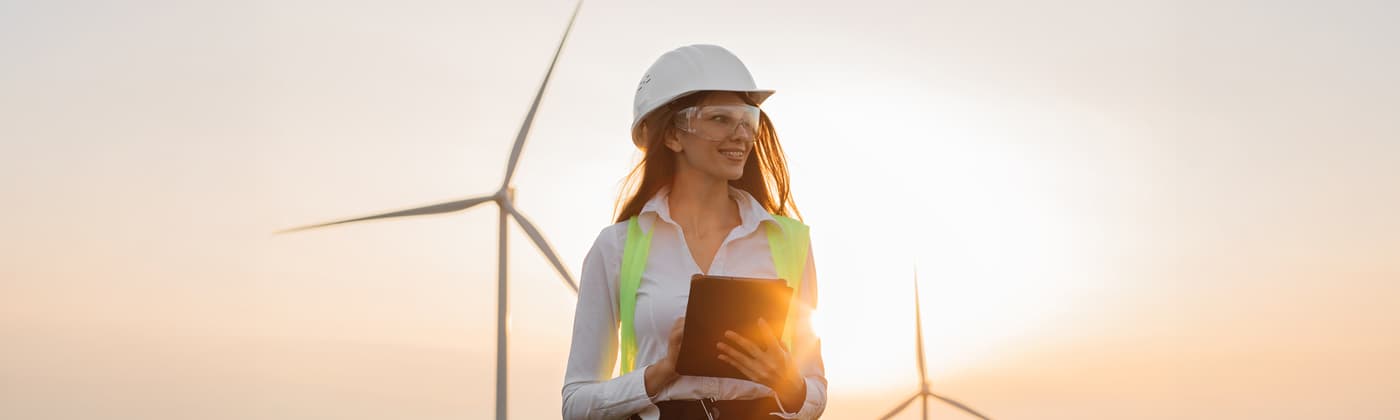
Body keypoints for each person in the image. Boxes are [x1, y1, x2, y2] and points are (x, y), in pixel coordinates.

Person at [561, 44, 827, 420]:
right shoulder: (616, 247)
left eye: (747, 118)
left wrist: (786, 379)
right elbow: (575, 405)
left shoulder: (790, 241)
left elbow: (814, 391)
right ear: (673, 136)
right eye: (719, 118)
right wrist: (661, 373)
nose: (741, 134)